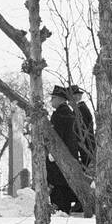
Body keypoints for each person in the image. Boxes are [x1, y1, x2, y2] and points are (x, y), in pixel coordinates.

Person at [47, 84, 83, 213]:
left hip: (59, 162)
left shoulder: (60, 114)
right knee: (64, 189)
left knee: (59, 192)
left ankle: (60, 211)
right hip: (68, 159)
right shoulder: (68, 112)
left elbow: (57, 138)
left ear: (60, 99)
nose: (51, 101)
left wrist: (52, 154)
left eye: (53, 98)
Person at [68, 84, 95, 168]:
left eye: (69, 97)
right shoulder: (80, 109)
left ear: (76, 97)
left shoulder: (80, 110)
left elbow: (80, 130)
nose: (68, 101)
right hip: (86, 146)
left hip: (87, 147)